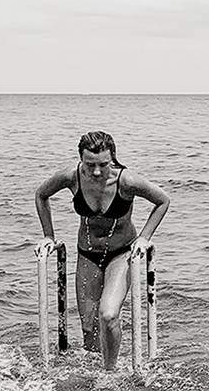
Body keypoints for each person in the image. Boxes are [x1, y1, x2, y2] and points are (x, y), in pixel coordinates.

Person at [33, 130, 172, 371]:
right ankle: (93, 374)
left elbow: (163, 200)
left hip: (121, 253)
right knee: (88, 326)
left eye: (103, 164)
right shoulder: (72, 177)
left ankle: (110, 372)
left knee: (107, 315)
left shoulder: (127, 181)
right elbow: (41, 194)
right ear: (81, 159)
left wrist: (144, 238)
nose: (96, 171)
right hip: (87, 254)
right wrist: (48, 236)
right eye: (90, 164)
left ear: (113, 159)